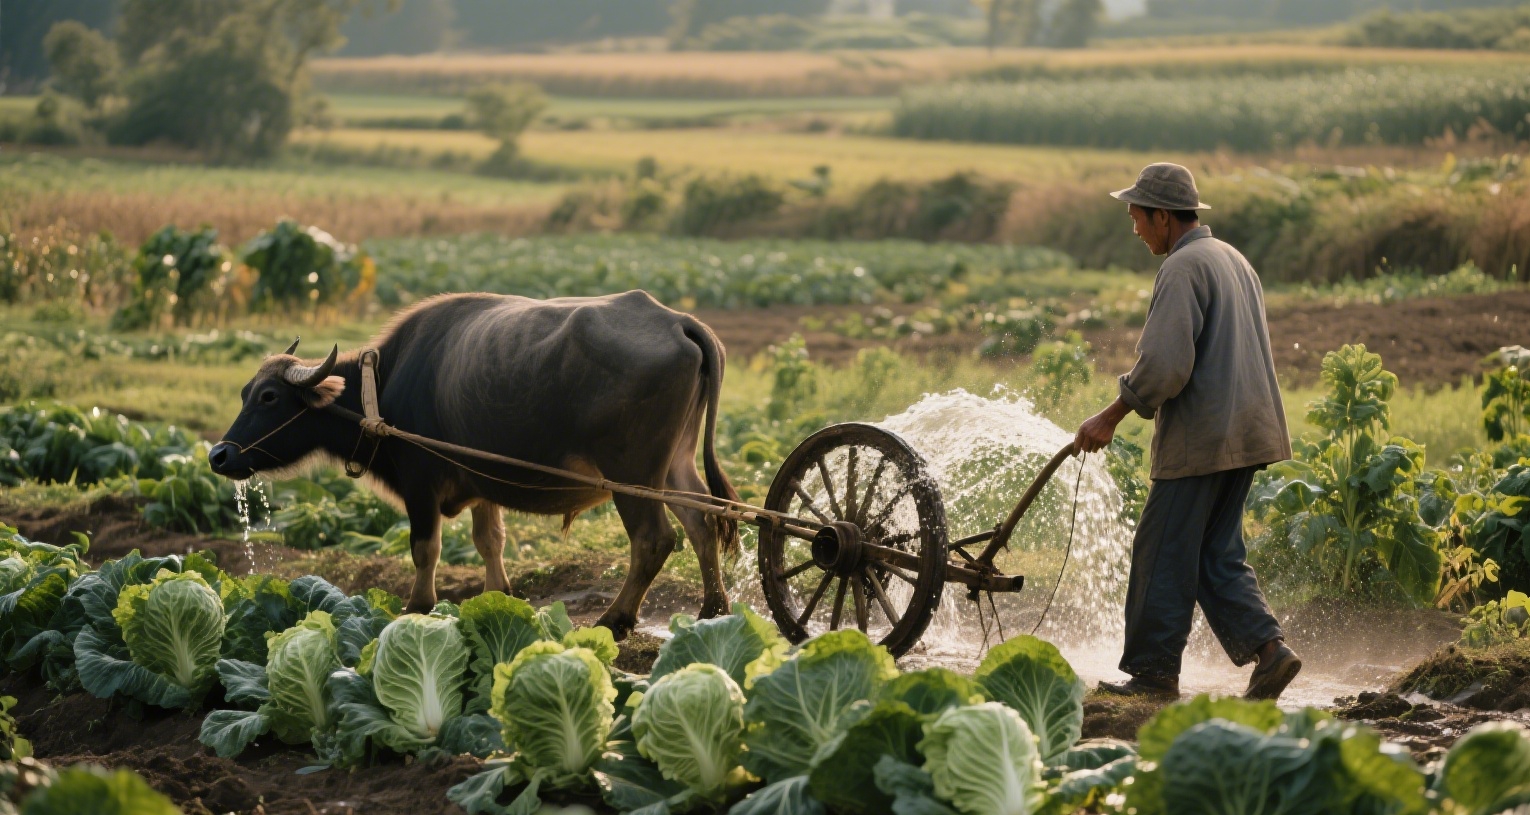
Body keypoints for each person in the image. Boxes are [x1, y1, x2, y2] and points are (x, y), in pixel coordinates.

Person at [1073, 163, 1301, 701]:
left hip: (1203, 438)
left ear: (1164, 217)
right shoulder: (1233, 260)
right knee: (1211, 555)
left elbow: (1166, 366)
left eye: (1138, 217)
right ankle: (1271, 654)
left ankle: (1152, 675)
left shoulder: (1182, 268)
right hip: (1248, 433)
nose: (1135, 229)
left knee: (1161, 551)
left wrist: (1109, 416)